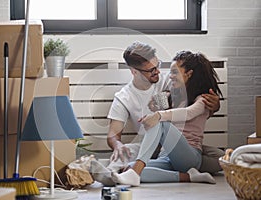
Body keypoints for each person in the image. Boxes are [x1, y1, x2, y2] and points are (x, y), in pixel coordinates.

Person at [90, 42, 222, 186]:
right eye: (151, 69)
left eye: (158, 65)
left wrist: (215, 105)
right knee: (127, 158)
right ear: (134, 71)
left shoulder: (170, 81)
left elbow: (190, 109)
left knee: (223, 157)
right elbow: (113, 135)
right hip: (151, 147)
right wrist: (117, 145)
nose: (158, 72)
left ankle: (131, 173)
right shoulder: (124, 97)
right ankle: (188, 176)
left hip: (179, 145)